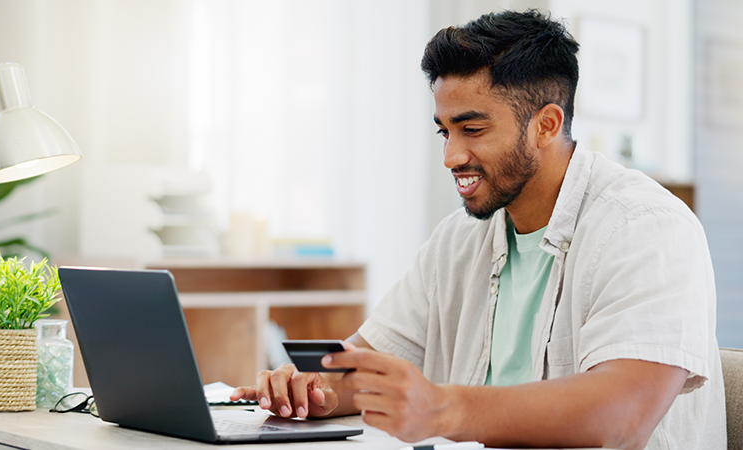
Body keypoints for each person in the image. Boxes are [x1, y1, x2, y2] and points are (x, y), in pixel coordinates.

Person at [231, 10, 726, 450]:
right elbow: (364, 370)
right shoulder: (457, 240)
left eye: (473, 130)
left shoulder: (648, 228)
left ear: (546, 125)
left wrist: (445, 409)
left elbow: (622, 418)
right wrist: (312, 391)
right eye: (445, 131)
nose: (451, 156)